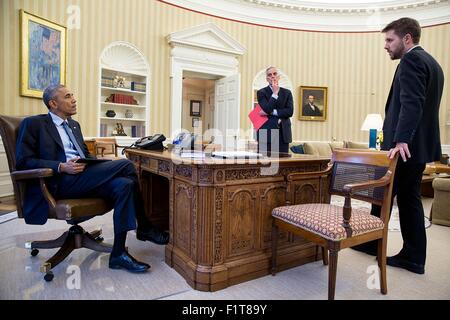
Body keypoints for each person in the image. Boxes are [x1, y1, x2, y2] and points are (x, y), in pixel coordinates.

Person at [15, 85, 170, 273]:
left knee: (125, 185)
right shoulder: (33, 124)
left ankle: (118, 254)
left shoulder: (73, 125)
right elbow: (23, 161)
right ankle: (144, 226)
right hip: (57, 181)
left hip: (82, 177)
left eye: (73, 95)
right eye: (68, 96)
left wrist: (99, 164)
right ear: (53, 103)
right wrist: (61, 166)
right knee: (126, 165)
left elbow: (85, 154)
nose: (74, 99)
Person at [352, 17, 444, 275]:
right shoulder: (434, 64)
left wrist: (401, 139)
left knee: (393, 196)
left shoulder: (412, 60)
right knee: (396, 197)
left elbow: (412, 103)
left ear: (407, 38)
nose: (386, 45)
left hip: (403, 147)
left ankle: (410, 256)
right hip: (417, 147)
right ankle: (374, 243)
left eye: (389, 40)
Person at [257, 66, 293, 154]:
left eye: (275, 74)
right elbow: (267, 108)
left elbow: (290, 112)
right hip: (267, 133)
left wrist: (272, 112)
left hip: (283, 133)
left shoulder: (287, 92)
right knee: (265, 164)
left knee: (283, 164)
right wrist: (275, 93)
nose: (272, 76)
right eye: (270, 75)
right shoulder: (261, 92)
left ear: (279, 77)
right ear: (267, 79)